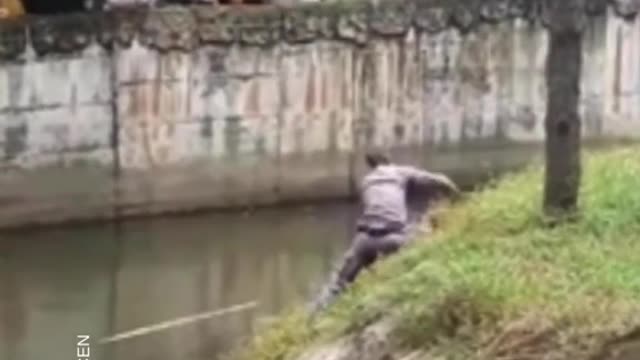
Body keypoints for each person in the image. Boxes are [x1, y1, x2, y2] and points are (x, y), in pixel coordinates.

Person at [310, 150, 460, 314]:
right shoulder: (400, 172)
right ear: (389, 160)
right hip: (394, 237)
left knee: (339, 285)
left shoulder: (367, 181)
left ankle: (314, 318)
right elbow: (441, 180)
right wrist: (456, 195)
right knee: (417, 259)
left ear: (370, 165)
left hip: (365, 239)